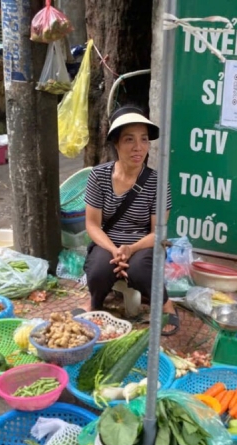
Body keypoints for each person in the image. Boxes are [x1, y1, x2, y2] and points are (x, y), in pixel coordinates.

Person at [78, 106, 179, 335]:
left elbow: (158, 233)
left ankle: (165, 304)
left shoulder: (158, 182)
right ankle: (94, 302)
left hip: (143, 244)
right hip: (108, 243)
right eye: (129, 139)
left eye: (144, 139)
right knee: (99, 270)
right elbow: (92, 224)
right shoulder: (99, 176)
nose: (138, 147)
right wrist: (115, 250)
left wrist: (131, 249)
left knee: (140, 270)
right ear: (116, 144)